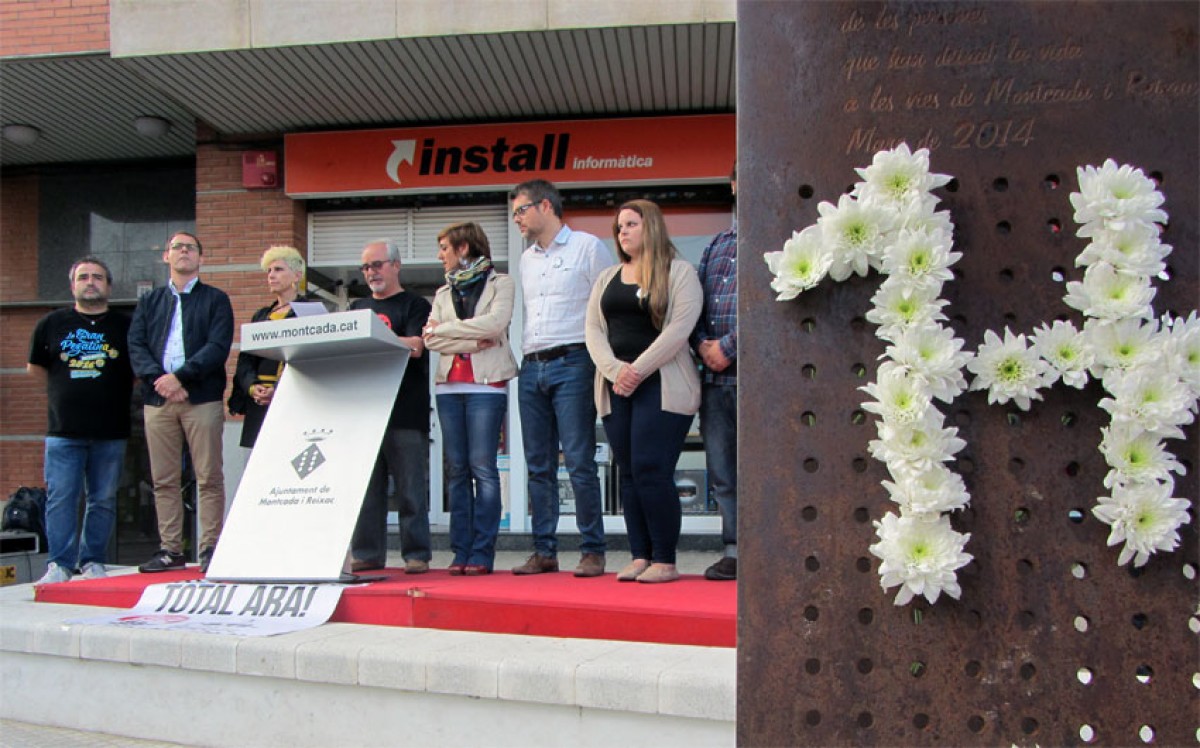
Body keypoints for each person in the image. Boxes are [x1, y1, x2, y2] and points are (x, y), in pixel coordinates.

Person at [585, 200, 702, 583]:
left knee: (653, 469)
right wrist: (617, 370)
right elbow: (593, 331)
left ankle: (665, 560)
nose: (623, 232)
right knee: (630, 472)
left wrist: (636, 370)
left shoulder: (679, 272)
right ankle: (640, 556)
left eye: (631, 224)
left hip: (662, 384)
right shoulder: (607, 278)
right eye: (619, 226)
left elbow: (679, 330)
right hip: (616, 385)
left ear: (650, 227)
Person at [509, 179, 615, 577]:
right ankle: (545, 551)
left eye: (521, 210)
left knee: (578, 460)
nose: (516, 218)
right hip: (531, 364)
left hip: (573, 361)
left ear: (546, 206)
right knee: (537, 465)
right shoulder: (526, 259)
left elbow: (607, 307)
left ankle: (593, 550)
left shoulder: (587, 247)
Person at [128, 231, 233, 574]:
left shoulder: (216, 300)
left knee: (208, 477)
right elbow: (137, 346)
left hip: (200, 398)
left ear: (200, 259)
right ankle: (171, 550)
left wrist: (182, 378)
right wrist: (163, 382)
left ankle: (210, 548)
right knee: (163, 479)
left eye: (191, 248)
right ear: (166, 256)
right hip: (158, 401)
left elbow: (217, 348)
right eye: (177, 247)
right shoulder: (150, 302)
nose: (184, 252)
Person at [28, 256, 135, 584]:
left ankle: (93, 561)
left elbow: (136, 373)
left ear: (109, 286)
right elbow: (37, 368)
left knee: (101, 499)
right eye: (84, 277)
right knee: (61, 497)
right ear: (73, 285)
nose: (91, 282)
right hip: (64, 431)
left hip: (110, 430)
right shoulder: (52, 323)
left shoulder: (125, 325)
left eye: (98, 277)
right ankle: (60, 564)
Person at [423, 222, 518, 576]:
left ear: (464, 249)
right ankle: (460, 552)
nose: (440, 255)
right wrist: (465, 338)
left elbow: (495, 326)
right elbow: (430, 341)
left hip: (486, 386)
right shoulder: (442, 293)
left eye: (445, 248)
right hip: (449, 387)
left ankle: (482, 553)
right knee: (456, 472)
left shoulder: (501, 283)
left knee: (484, 469)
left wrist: (444, 332)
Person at [349, 238, 433, 574]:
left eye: (377, 264)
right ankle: (367, 553)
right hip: (365, 412)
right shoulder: (356, 307)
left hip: (406, 410)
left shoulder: (415, 305)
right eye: (366, 267)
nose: (371, 272)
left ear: (396, 265)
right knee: (367, 492)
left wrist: (371, 338)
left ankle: (417, 554)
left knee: (411, 487)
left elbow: (416, 345)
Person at [692, 165, 739, 581]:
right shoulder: (716, 245)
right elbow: (694, 305)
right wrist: (704, 346)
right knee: (722, 472)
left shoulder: (781, 243)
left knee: (762, 471)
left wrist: (727, 348)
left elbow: (774, 309)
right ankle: (734, 552)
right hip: (715, 382)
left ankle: (767, 551)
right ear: (734, 185)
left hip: (756, 382)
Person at [231, 246, 315, 448]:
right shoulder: (260, 316)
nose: (271, 275)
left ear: (297, 275)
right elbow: (246, 360)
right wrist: (252, 387)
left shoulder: (310, 312)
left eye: (278, 269)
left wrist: (277, 390)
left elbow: (311, 361)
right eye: (269, 271)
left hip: (293, 403)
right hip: (259, 404)